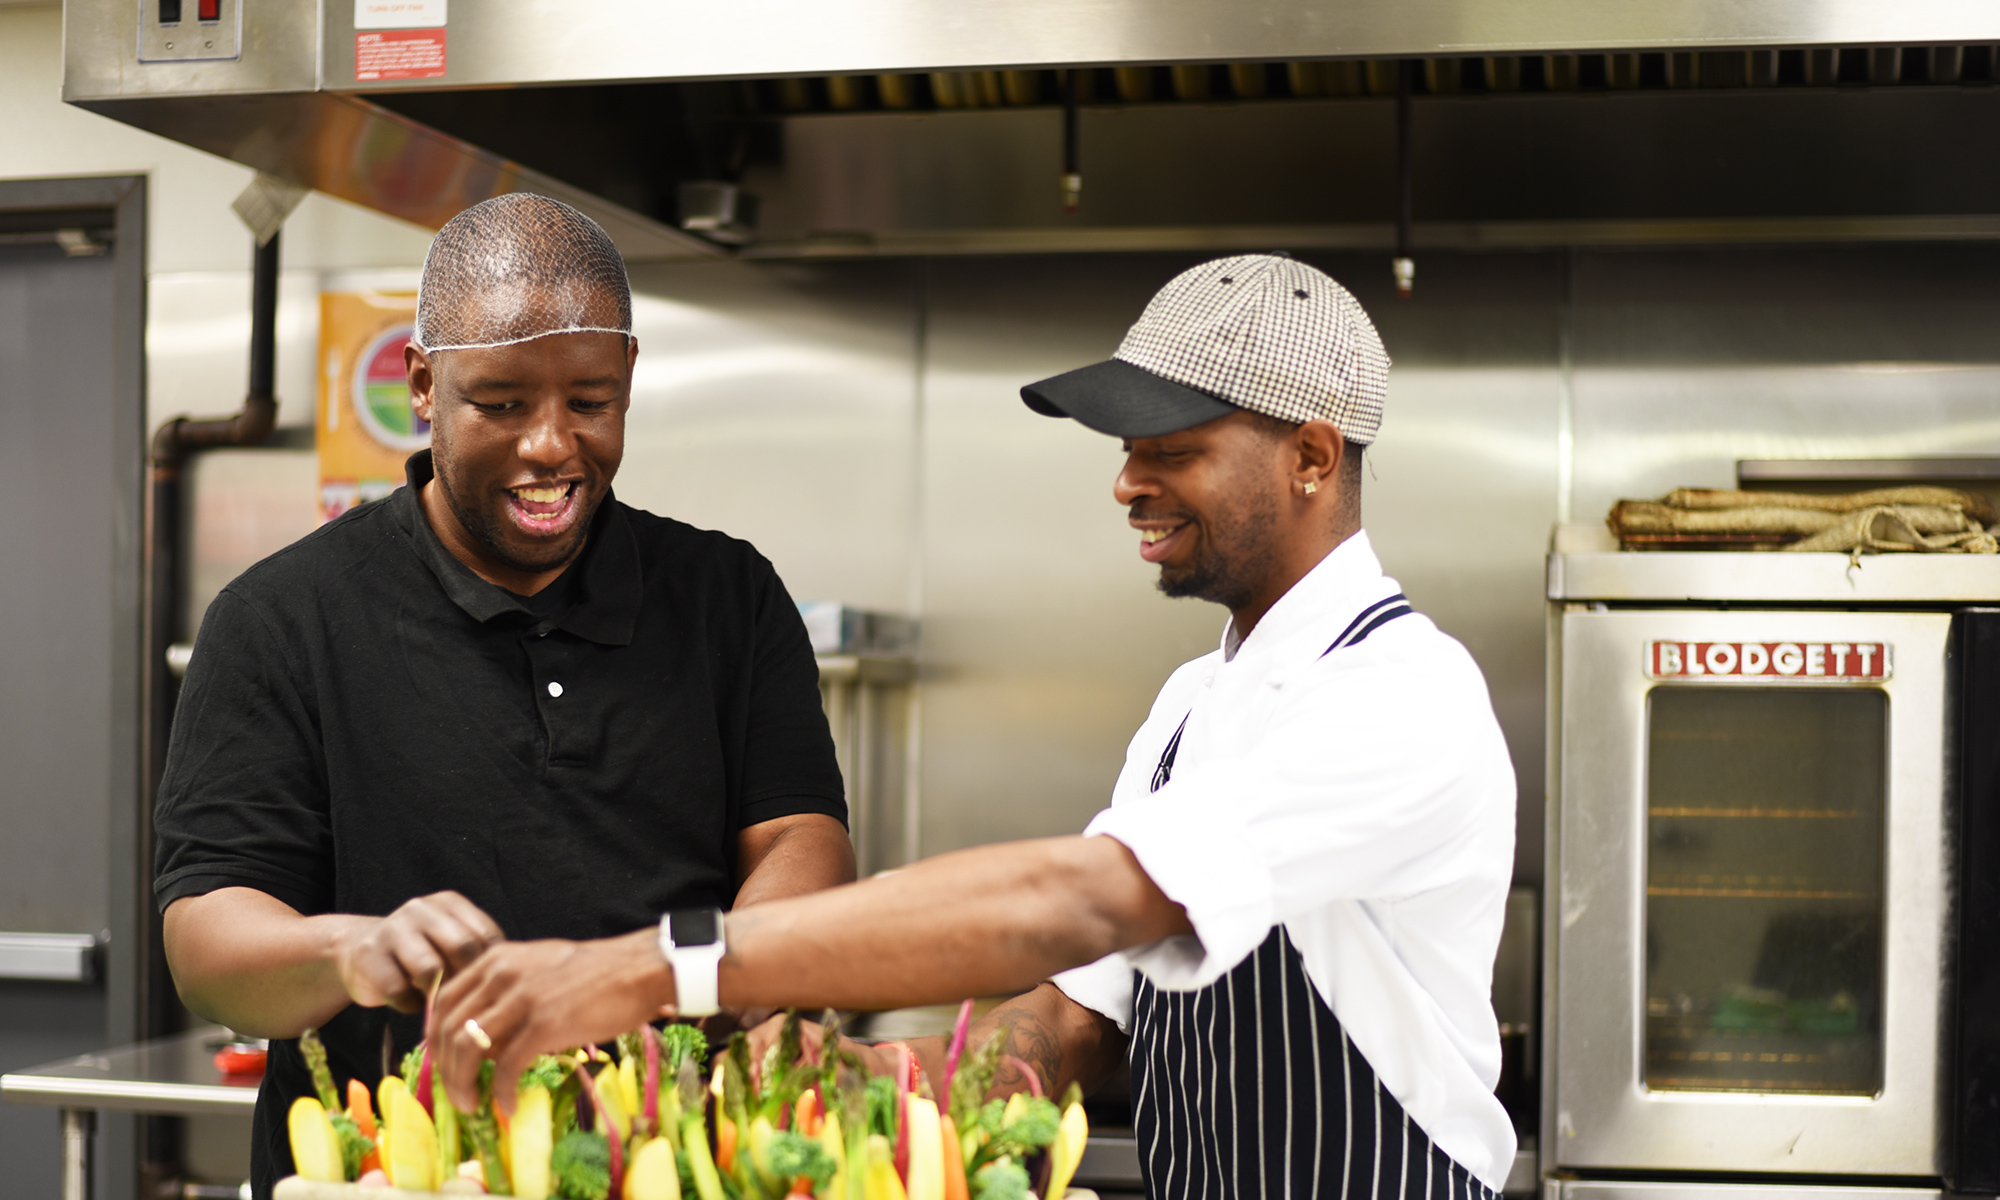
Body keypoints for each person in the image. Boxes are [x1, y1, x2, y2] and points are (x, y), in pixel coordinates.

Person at [430, 254, 1519, 1198]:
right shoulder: (1194, 707)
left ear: (1312, 458)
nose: (1125, 483)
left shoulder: (1399, 695)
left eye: (1169, 448)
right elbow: (1074, 1016)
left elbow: (1074, 899)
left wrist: (661, 967)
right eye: (1124, 447)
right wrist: (865, 1078)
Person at [153, 194, 855, 1199]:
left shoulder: (725, 595)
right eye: (503, 403)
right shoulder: (280, 619)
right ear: (424, 385)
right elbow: (207, 942)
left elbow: (796, 836)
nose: (551, 446)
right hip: (399, 1171)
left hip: (671, 1163)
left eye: (590, 400)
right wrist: (357, 949)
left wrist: (761, 976)